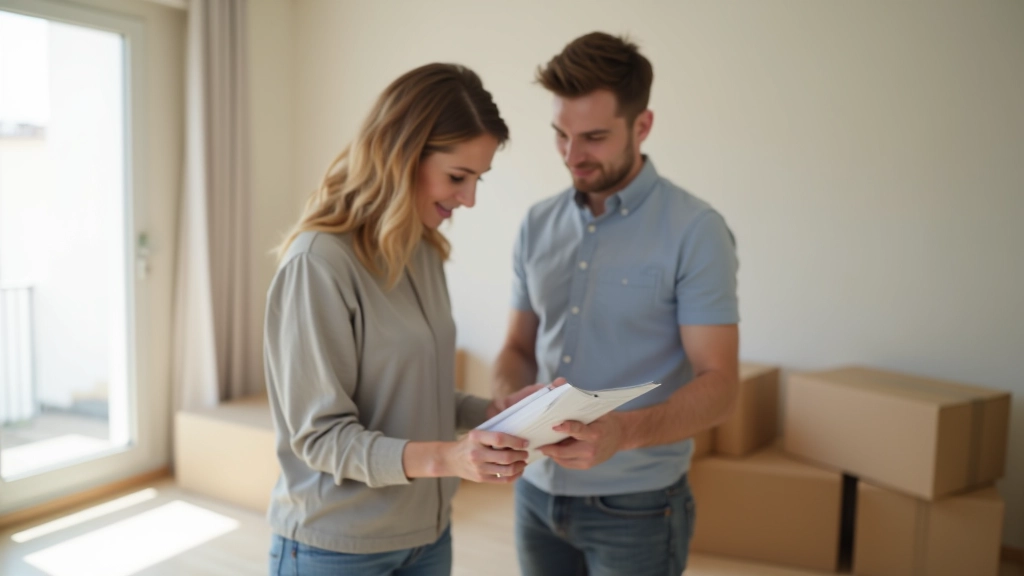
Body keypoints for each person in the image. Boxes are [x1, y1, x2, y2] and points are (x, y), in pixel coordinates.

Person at [264, 62, 535, 576]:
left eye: (478, 178)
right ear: (402, 154)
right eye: (458, 176)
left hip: (427, 538)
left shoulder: (423, 251)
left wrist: (493, 411)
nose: (470, 198)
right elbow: (319, 436)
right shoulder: (318, 263)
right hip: (336, 548)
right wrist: (449, 459)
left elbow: (407, 393)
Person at [493, 32, 741, 576]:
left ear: (642, 126)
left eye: (594, 137)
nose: (572, 155)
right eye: (560, 134)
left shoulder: (696, 231)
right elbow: (516, 347)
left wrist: (621, 433)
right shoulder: (537, 224)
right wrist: (506, 402)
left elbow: (720, 387)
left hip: (638, 507)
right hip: (534, 495)